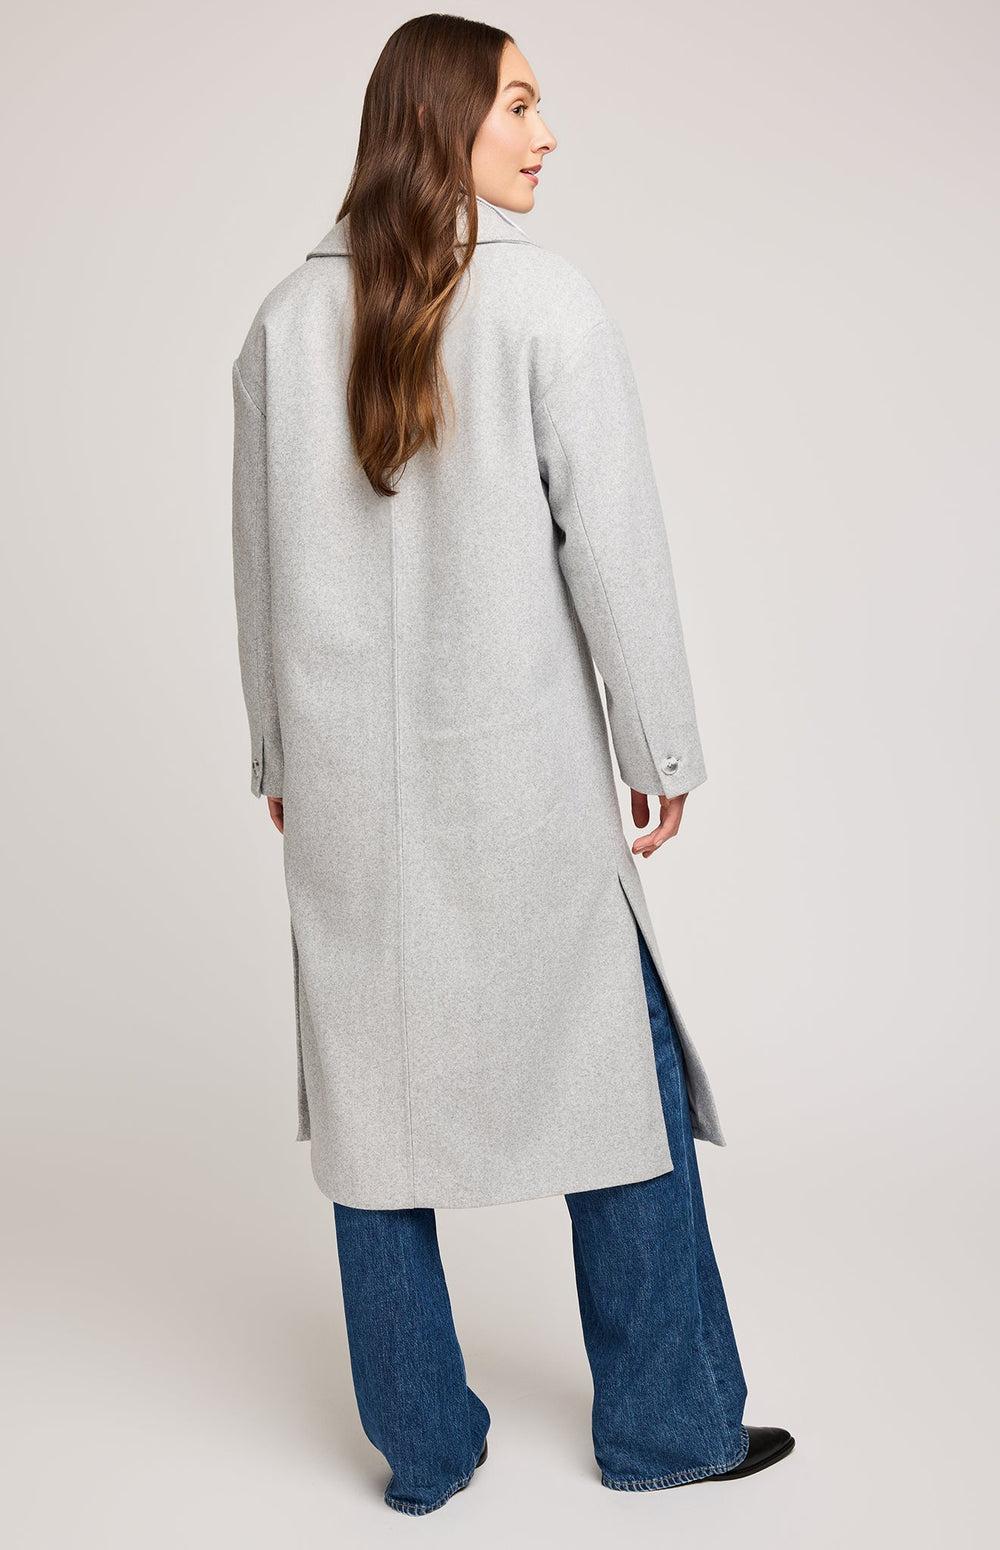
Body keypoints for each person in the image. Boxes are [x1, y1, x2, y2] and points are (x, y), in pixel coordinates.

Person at [231, 13, 794, 1515]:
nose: (548, 135)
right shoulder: (545, 304)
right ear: (443, 123)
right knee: (619, 1084)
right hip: (527, 787)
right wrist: (660, 743)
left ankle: (425, 1450)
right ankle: (668, 1425)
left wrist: (277, 748)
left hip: (349, 800)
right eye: (521, 106)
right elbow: (617, 545)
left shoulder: (281, 325)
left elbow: (258, 567)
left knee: (372, 1111)